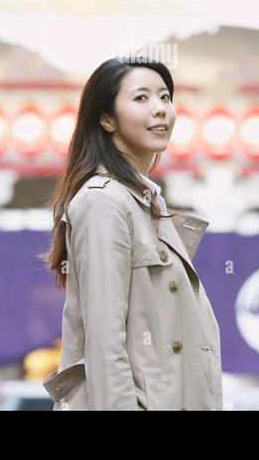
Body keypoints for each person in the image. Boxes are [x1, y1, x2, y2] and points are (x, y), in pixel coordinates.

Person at [39, 57, 223, 410]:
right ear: (106, 118)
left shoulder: (145, 200)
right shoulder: (103, 202)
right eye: (141, 98)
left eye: (165, 97)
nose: (160, 109)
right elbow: (105, 343)